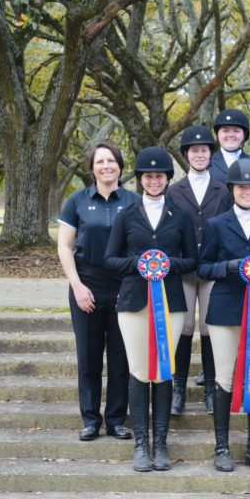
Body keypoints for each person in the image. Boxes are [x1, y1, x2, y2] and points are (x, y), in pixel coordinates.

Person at [104, 147, 198, 472]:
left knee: (163, 371)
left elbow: (191, 261)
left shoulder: (180, 216)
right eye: (148, 176)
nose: (154, 180)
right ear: (141, 179)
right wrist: (140, 264)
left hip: (170, 304)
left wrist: (166, 264)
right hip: (133, 304)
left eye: (159, 176)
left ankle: (161, 443)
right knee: (140, 371)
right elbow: (110, 259)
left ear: (168, 179)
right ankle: (141, 444)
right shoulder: (126, 215)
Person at [197, 158, 250, 472]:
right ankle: (221, 447)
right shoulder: (217, 224)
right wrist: (231, 267)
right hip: (225, 310)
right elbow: (203, 267)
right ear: (233, 189)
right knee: (224, 378)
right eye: (242, 186)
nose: (248, 191)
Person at [57, 142, 140, 442]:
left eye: (112, 161)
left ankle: (117, 419)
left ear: (120, 165)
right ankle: (90, 419)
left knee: (121, 358)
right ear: (91, 167)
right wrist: (77, 286)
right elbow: (65, 246)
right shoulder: (77, 201)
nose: (106, 166)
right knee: (89, 357)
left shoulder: (134, 201)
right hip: (86, 286)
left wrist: (129, 286)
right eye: (100, 161)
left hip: (124, 288)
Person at [166, 125, 232, 416]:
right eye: (194, 151)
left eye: (204, 150)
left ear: (210, 154)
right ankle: (178, 389)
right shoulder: (173, 190)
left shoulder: (223, 188)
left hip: (210, 267)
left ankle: (209, 388)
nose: (200, 155)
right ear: (186, 155)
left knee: (208, 328)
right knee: (183, 328)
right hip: (182, 267)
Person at [210, 108, 250, 183]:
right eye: (225, 131)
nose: (230, 135)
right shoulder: (207, 163)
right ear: (218, 134)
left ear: (244, 135)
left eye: (236, 131)